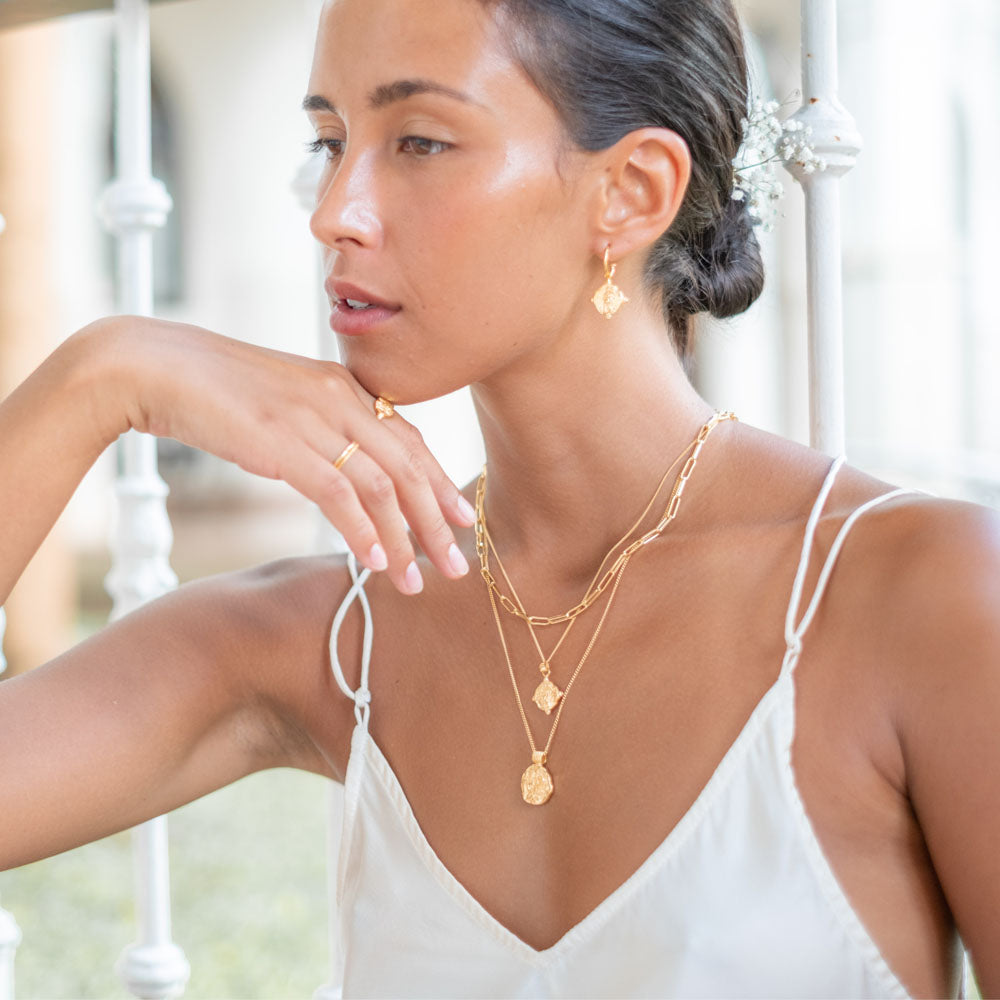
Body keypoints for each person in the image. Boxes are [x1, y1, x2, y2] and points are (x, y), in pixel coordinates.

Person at [1, 0, 997, 995]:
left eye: (420, 141)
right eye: (330, 141)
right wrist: (98, 378)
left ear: (631, 191)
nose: (333, 211)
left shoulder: (919, 595)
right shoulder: (329, 640)